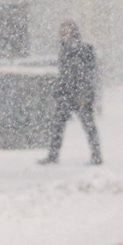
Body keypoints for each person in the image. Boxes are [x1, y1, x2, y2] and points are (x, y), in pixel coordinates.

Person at [39, 22, 102, 166]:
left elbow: (84, 74)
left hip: (77, 95)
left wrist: (82, 94)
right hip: (67, 94)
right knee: (60, 126)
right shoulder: (66, 48)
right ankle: (54, 155)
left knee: (85, 126)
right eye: (62, 30)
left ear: (74, 32)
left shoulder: (79, 48)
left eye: (67, 30)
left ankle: (95, 155)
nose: (63, 33)